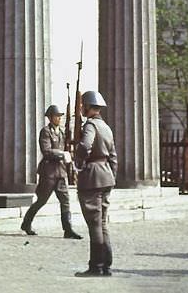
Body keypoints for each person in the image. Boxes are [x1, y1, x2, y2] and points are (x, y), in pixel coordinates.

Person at [20, 104, 83, 240]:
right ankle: (26, 223)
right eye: (56, 116)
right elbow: (46, 151)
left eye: (60, 116)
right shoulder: (45, 132)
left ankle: (68, 229)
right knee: (41, 200)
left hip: (60, 173)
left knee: (65, 200)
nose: (59, 119)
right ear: (50, 117)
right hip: (48, 173)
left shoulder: (61, 132)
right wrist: (62, 154)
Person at [74, 91, 117, 278]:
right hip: (106, 176)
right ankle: (106, 265)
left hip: (92, 177)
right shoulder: (106, 127)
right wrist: (111, 177)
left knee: (94, 224)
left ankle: (96, 266)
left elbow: (85, 146)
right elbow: (114, 157)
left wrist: (79, 162)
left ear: (89, 107)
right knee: (102, 224)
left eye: (83, 105)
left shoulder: (90, 125)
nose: (82, 108)